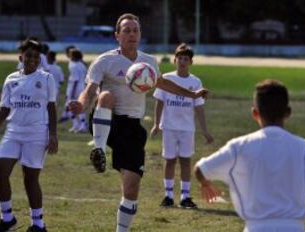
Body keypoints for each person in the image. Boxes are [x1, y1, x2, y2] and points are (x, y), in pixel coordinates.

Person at [69, 13, 208, 232]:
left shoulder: (149, 62)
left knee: (132, 188)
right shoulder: (105, 61)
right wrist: (80, 103)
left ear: (140, 34)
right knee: (106, 96)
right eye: (127, 30)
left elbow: (163, 84)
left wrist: (192, 95)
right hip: (108, 119)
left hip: (132, 128)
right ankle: (99, 149)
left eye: (135, 30)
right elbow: (90, 90)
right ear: (117, 35)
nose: (132, 34)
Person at [194, 80, 305, 232]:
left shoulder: (239, 147)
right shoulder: (303, 148)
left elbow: (200, 169)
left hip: (256, 227)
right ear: (288, 112)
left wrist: (205, 183)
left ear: (255, 113)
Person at [0, 39, 58, 232]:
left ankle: (38, 224)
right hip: (13, 132)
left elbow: (51, 107)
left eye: (36, 56)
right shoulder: (11, 79)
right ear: (20, 57)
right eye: (28, 55)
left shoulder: (47, 78)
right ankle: (7, 219)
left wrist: (53, 135)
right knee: (0, 172)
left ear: (40, 59)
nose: (32, 59)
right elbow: (4, 108)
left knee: (30, 178)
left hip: (37, 133)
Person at [151, 43, 213, 209]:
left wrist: (205, 131)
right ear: (174, 60)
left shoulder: (195, 82)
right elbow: (159, 102)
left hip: (187, 129)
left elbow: (199, 107)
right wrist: (156, 124)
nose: (182, 61)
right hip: (169, 127)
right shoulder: (167, 79)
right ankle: (168, 195)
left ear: (191, 62)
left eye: (186, 59)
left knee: (186, 161)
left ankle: (185, 196)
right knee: (170, 160)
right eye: (180, 58)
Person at [67, 49, 88, 133]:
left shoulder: (74, 66)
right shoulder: (82, 65)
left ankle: (77, 124)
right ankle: (81, 125)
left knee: (71, 106)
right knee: (80, 106)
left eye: (71, 55)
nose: (69, 57)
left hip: (75, 87)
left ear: (74, 56)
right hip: (82, 86)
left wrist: (72, 92)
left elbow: (75, 80)